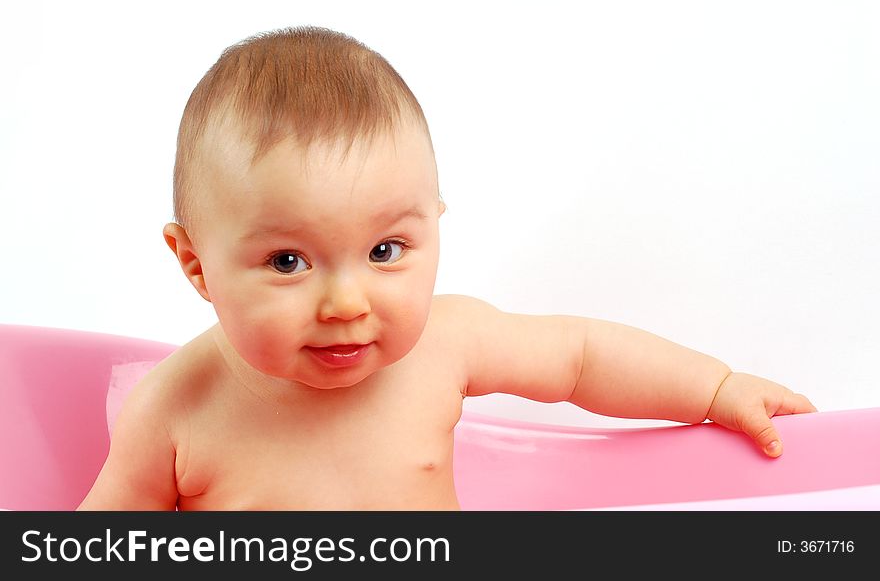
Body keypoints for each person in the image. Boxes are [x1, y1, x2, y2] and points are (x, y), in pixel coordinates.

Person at [77, 26, 816, 510]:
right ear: (197, 265)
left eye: (384, 251)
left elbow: (583, 355)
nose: (344, 300)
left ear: (434, 220)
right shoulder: (175, 410)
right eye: (288, 261)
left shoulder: (445, 343)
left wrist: (716, 388)